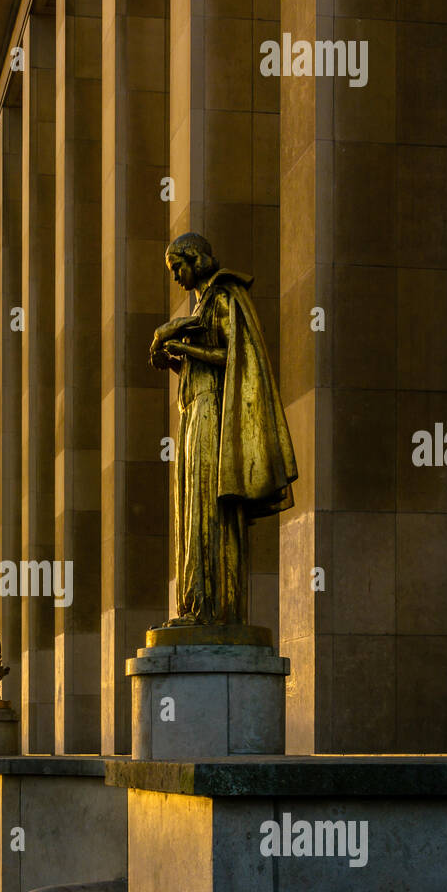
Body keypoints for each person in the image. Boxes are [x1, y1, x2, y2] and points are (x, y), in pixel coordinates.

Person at [149, 232, 297, 626]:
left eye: (178, 267)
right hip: (196, 412)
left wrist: (182, 344)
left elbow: (234, 356)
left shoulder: (224, 297)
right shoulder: (203, 304)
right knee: (192, 511)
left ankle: (209, 609)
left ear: (195, 259)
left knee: (207, 508)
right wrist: (178, 361)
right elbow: (208, 361)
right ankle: (193, 606)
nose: (177, 276)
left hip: (214, 413)